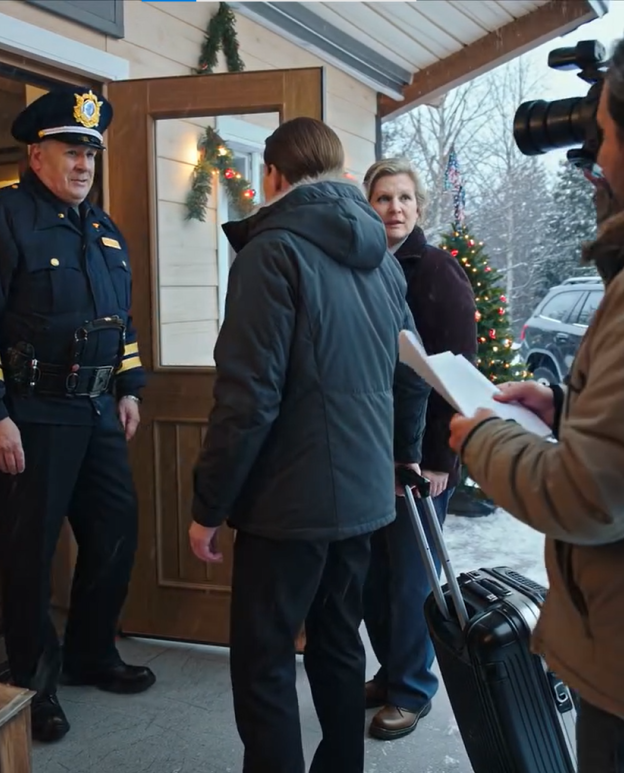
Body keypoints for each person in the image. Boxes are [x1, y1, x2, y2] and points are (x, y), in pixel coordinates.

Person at [448, 11, 624, 771]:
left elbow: (591, 496)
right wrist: (568, 412)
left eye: (601, 132)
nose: (594, 155)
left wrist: (484, 435)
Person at [187, 117, 430, 773]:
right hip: (360, 493)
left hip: (286, 504)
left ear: (273, 176)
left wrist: (209, 503)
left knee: (265, 657)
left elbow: (247, 397)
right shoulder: (380, 259)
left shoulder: (272, 252)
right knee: (337, 640)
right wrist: (400, 455)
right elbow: (414, 370)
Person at [0, 88, 154, 743]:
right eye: (70, 148)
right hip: (30, 412)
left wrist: (129, 386)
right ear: (36, 154)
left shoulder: (105, 229)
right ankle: (34, 684)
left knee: (116, 532)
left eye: (90, 150)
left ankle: (91, 651)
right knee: (30, 554)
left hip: (95, 411)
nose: (83, 162)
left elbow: (122, 322)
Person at [362, 158, 477, 740]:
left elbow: (454, 378)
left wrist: (439, 459)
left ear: (420, 206)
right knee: (375, 578)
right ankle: (391, 671)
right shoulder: (364, 265)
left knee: (409, 576)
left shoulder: (437, 272)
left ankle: (412, 691)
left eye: (405, 198)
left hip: (423, 458)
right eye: (384, 198)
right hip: (372, 451)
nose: (395, 208)